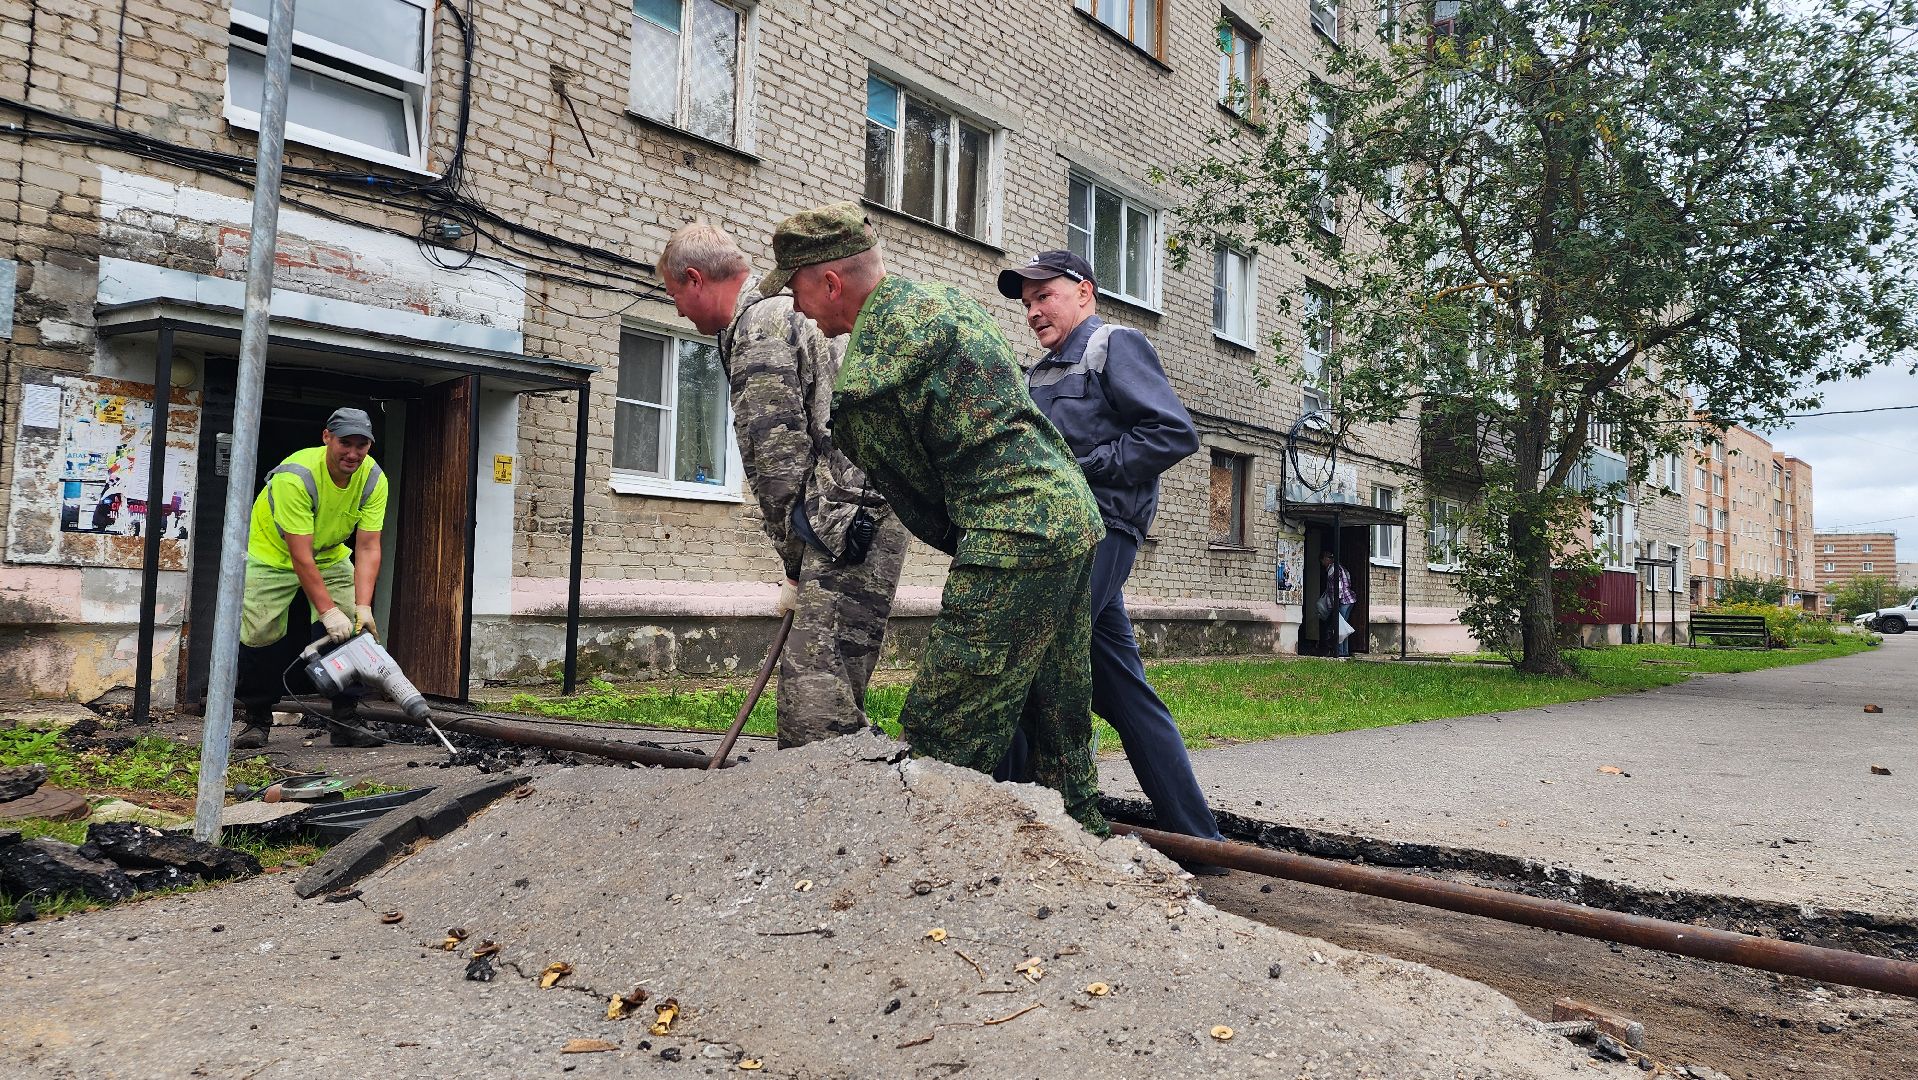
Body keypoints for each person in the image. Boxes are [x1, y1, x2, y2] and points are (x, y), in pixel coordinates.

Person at [762, 201, 1110, 834]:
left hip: (1014, 535)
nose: (795, 306)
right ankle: (1089, 854)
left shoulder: (868, 383)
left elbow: (920, 503)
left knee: (947, 723)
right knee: (1057, 708)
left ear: (830, 283)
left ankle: (926, 879)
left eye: (795, 288)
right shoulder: (945, 303)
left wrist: (982, 552)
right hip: (1070, 516)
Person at [996, 250, 1227, 852]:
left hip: (1099, 533)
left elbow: (1172, 432)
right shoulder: (1040, 373)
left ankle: (1012, 822)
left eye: (1044, 295)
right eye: (1026, 303)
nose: (1033, 312)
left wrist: (1088, 469)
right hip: (1054, 541)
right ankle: (1200, 840)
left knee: (1024, 661)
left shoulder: (1112, 346)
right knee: (1126, 695)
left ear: (1085, 293)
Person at [658, 222, 908, 747]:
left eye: (675, 295)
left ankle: (866, 809)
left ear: (696, 279)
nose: (677, 310)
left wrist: (796, 562)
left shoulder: (757, 328)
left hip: (841, 524)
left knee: (815, 712)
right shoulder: (778, 314)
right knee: (835, 689)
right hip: (859, 513)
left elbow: (777, 461)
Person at [232, 408, 390, 749]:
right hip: (272, 555)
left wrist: (362, 607)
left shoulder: (374, 479)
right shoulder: (296, 477)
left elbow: (367, 546)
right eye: (345, 443)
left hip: (330, 553)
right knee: (260, 634)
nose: (353, 453)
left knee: (352, 631)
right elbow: (300, 556)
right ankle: (256, 719)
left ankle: (346, 720)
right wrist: (326, 612)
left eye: (361, 445)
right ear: (326, 438)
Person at [1318, 550, 1356, 658]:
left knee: (1339, 628)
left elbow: (1337, 587)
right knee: (1344, 628)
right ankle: (1345, 651)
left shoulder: (1332, 569)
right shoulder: (1341, 567)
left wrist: (1336, 603)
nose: (1322, 563)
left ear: (1326, 559)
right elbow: (1348, 580)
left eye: (1322, 560)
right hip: (1349, 599)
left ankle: (1339, 652)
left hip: (1342, 601)